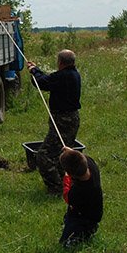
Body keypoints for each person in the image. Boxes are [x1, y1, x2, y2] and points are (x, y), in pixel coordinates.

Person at [27, 49, 81, 195]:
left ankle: (56, 188)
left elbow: (43, 83)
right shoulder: (73, 74)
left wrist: (33, 71)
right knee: (62, 154)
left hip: (63, 120)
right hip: (71, 119)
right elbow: (47, 81)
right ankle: (66, 184)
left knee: (44, 155)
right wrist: (36, 70)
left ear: (60, 62)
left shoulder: (64, 76)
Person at [58, 147, 103, 247]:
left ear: (70, 174)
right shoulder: (91, 164)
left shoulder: (78, 191)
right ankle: (88, 227)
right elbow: (81, 158)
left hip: (83, 216)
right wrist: (72, 152)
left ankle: (84, 233)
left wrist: (66, 179)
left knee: (64, 243)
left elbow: (67, 198)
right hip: (96, 209)